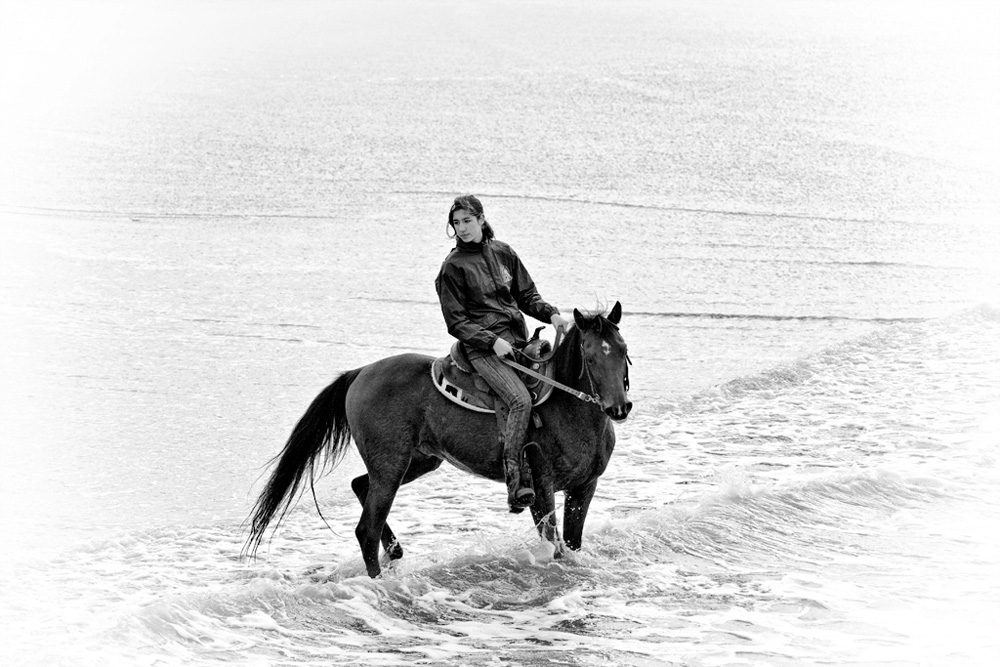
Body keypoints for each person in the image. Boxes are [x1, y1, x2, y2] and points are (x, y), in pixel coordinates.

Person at [435, 195, 572, 512]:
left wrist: (551, 314)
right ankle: (516, 480)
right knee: (520, 400)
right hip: (482, 350)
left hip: (518, 342)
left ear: (481, 219)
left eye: (467, 221)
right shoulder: (452, 268)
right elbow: (456, 322)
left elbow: (527, 295)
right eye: (456, 223)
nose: (462, 228)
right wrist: (490, 341)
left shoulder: (504, 253)